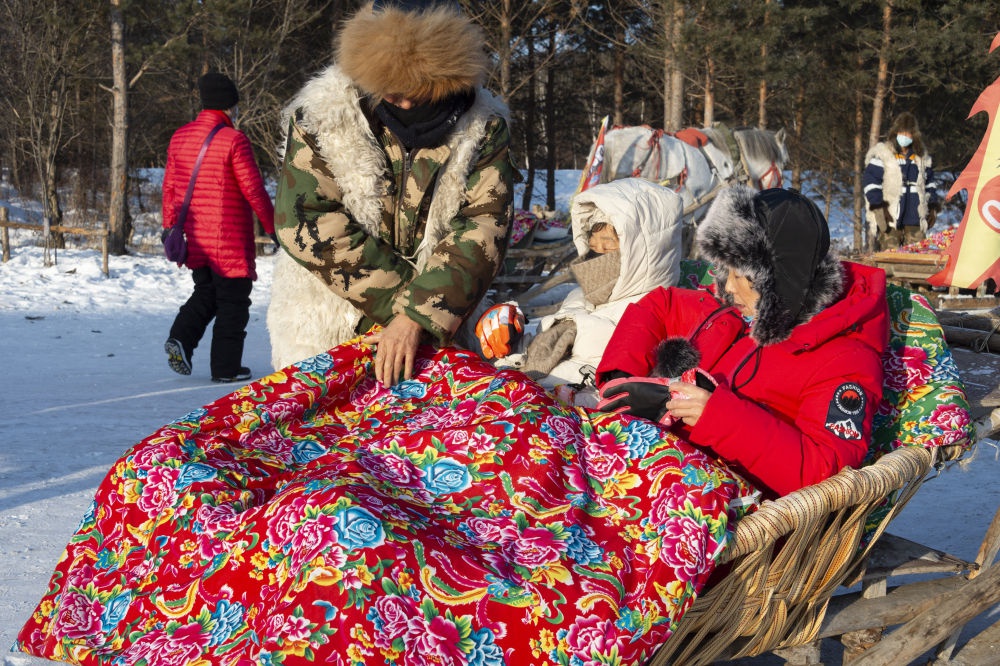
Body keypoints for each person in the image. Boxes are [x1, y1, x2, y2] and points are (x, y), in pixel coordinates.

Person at [268, 0, 516, 386]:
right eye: (390, 90)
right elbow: (306, 219)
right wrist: (408, 308)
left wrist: (418, 319)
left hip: (436, 333)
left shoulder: (483, 126)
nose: (402, 103)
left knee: (432, 443)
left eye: (419, 90)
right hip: (327, 322)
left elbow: (483, 226)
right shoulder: (322, 114)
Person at [597, 185, 890, 498]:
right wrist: (621, 377)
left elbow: (826, 474)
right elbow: (661, 304)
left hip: (725, 513)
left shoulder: (845, 359)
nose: (728, 286)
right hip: (659, 468)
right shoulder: (739, 312)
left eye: (739, 276)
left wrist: (715, 416)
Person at [480, 178, 684, 407]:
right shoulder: (584, 293)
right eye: (593, 243)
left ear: (638, 253)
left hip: (572, 414)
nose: (597, 252)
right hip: (533, 393)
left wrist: (564, 397)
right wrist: (514, 333)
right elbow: (550, 346)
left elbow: (625, 392)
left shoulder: (654, 311)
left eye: (608, 243)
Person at [162, 72, 275, 383]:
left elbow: (170, 187)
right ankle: (226, 368)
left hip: (195, 236)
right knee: (233, 301)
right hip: (229, 238)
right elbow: (253, 190)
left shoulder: (180, 136)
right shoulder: (234, 140)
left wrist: (169, 227)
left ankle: (181, 338)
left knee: (207, 291)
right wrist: (272, 226)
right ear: (231, 105)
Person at [863, 112, 941, 250]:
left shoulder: (921, 158)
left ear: (914, 135)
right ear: (895, 133)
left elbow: (930, 184)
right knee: (889, 258)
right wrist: (878, 207)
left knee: (916, 259)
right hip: (890, 218)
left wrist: (933, 207)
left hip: (915, 219)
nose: (904, 136)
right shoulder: (884, 154)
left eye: (908, 133)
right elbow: (871, 181)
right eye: (901, 132)